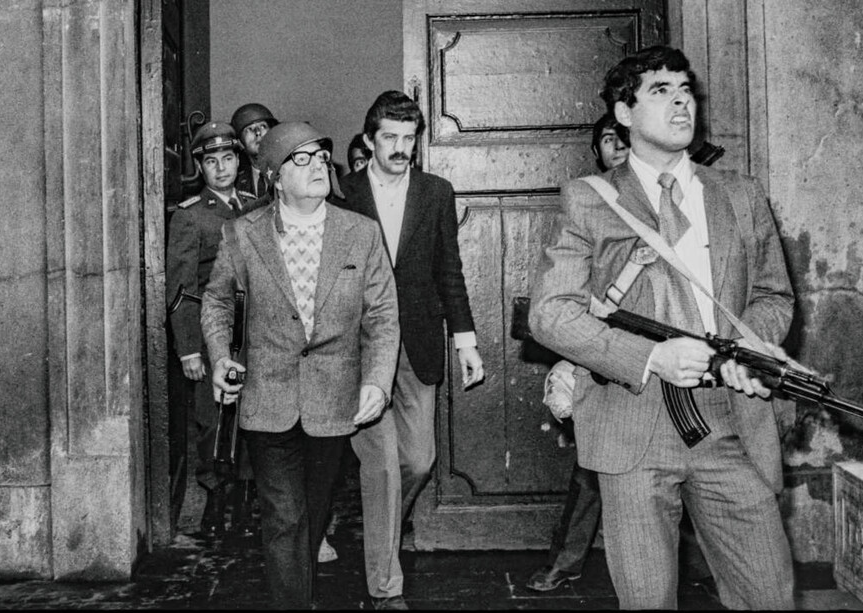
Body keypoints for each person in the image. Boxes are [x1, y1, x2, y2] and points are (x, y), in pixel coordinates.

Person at [529, 45, 796, 609]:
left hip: (730, 420)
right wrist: (650, 358)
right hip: (634, 422)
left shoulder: (740, 195)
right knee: (648, 599)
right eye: (660, 91)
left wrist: (741, 352)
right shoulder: (589, 200)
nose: (680, 104)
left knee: (769, 594)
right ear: (624, 114)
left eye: (685, 91)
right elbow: (550, 314)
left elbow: (774, 295)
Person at [201, 121, 399, 609]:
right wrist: (221, 356)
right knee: (285, 515)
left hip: (333, 398)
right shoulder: (243, 233)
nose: (316, 166)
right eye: (300, 158)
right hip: (268, 396)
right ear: (273, 175)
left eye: (320, 155)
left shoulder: (361, 233)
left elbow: (382, 315)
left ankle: (300, 591)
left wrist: (376, 380)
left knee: (312, 511)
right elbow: (217, 301)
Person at [525, 113, 712, 593]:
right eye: (608, 141)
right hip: (608, 357)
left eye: (623, 140)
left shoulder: (671, 199)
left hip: (679, 359)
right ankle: (565, 562)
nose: (617, 149)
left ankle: (697, 566)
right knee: (593, 469)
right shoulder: (589, 207)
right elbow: (567, 308)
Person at [335, 90, 485, 610]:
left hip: (418, 343)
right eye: (391, 138)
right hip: (359, 350)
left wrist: (465, 339)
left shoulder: (435, 192)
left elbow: (450, 270)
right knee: (379, 467)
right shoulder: (343, 194)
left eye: (410, 138)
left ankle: (380, 532)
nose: (402, 148)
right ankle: (385, 588)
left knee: (419, 461)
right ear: (370, 140)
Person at [166, 121, 258, 537]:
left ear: (239, 161)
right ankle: (214, 499)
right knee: (212, 419)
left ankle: (244, 499)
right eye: (211, 161)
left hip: (255, 332)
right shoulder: (190, 217)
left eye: (228, 158)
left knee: (252, 416)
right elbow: (182, 289)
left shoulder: (256, 206)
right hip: (211, 332)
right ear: (200, 167)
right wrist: (189, 349)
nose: (221, 168)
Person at [231, 103, 278, 199]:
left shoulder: (287, 172)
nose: (258, 133)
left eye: (263, 126)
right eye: (249, 129)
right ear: (240, 142)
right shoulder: (233, 180)